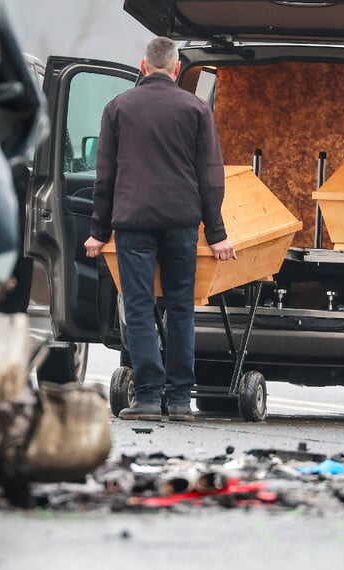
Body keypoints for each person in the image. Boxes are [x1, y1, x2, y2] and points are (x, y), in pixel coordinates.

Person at [84, 36, 236, 422]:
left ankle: (149, 397)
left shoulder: (118, 107)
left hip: (133, 222)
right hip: (181, 222)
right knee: (181, 308)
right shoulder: (196, 108)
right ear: (176, 68)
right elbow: (210, 176)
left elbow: (106, 176)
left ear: (142, 65)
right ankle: (181, 400)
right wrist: (216, 233)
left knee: (138, 307)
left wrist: (98, 231)